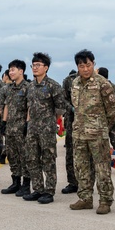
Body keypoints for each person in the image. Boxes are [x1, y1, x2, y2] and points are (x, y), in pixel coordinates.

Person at [68, 50, 115, 215]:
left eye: (88, 65)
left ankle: (105, 200)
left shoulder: (102, 83)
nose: (85, 69)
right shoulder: (74, 83)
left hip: (98, 134)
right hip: (79, 133)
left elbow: (112, 111)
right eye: (81, 66)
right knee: (81, 167)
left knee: (102, 168)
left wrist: (102, 127)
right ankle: (85, 198)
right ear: (77, 67)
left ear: (93, 64)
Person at [23, 52, 66, 204]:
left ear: (46, 68)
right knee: (32, 159)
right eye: (33, 65)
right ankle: (38, 189)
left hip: (47, 128)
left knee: (48, 159)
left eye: (38, 65)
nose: (35, 68)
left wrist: (51, 122)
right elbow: (29, 106)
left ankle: (49, 191)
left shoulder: (53, 85)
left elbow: (61, 107)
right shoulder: (30, 86)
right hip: (32, 128)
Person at [0, 59, 30, 195]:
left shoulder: (28, 87)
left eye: (13, 70)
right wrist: (3, 122)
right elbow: (6, 105)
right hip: (10, 128)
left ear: (21, 71)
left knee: (24, 156)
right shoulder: (9, 88)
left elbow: (30, 107)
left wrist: (27, 124)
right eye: (10, 70)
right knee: (12, 156)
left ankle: (26, 184)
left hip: (22, 128)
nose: (10, 72)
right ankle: (15, 182)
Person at [60, 69, 79, 194]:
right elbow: (63, 100)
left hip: (91, 124)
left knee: (88, 155)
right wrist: (71, 108)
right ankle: (73, 182)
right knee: (70, 153)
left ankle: (87, 183)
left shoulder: (98, 80)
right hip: (72, 121)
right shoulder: (69, 81)